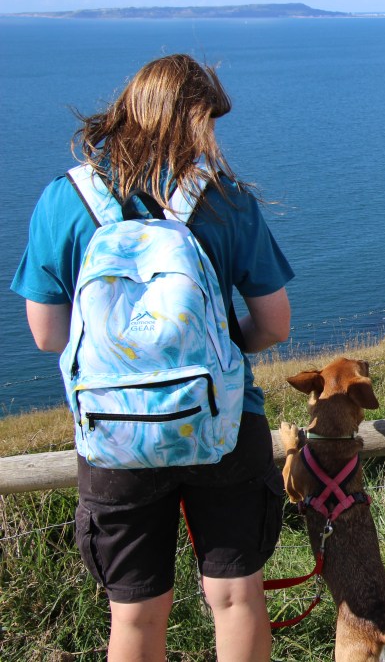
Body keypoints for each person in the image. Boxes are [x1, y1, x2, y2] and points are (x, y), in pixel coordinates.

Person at [10, 54, 294, 662]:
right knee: (236, 597)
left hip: (114, 432)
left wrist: (127, 357)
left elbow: (47, 334)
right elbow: (274, 325)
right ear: (192, 119)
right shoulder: (225, 200)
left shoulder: (65, 200)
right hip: (222, 421)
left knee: (134, 613)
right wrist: (212, 347)